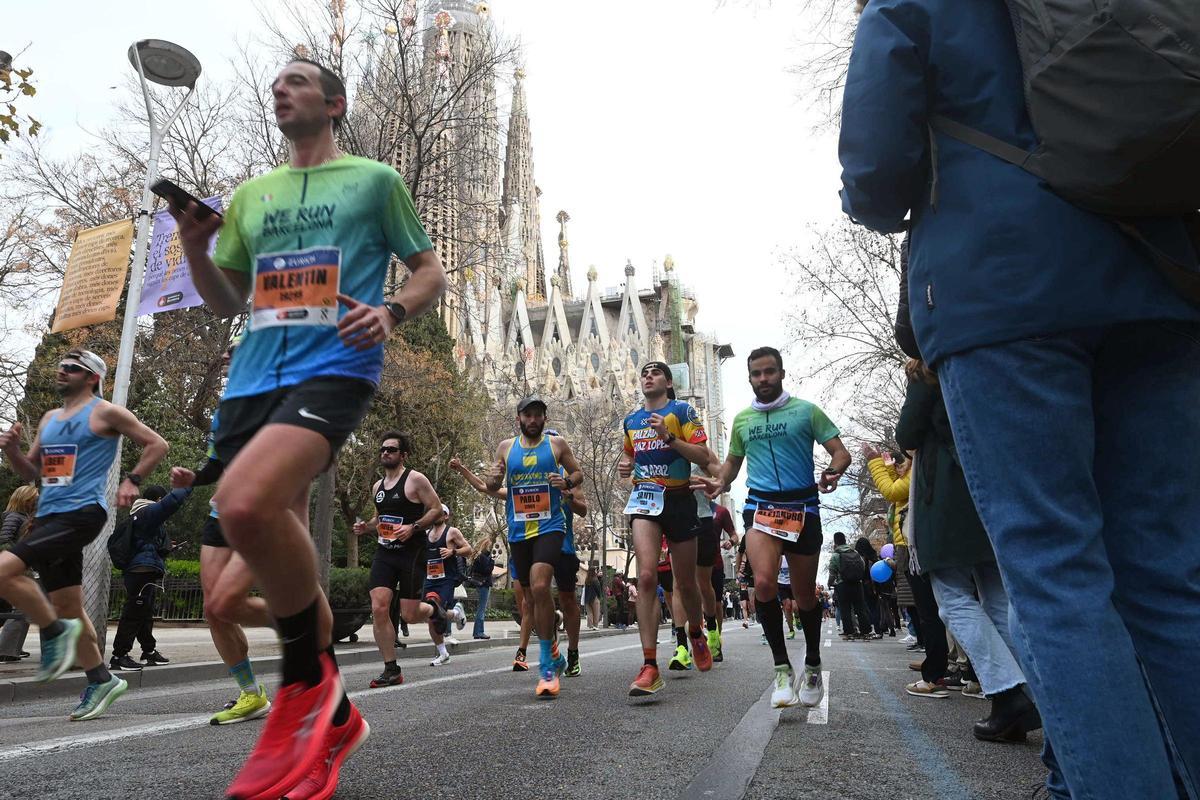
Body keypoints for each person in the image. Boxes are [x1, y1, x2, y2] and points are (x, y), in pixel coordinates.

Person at [841, 3, 1200, 795]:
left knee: (1055, 573)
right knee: (1170, 577)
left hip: (1003, 290)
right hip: (1156, 275)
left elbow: (874, 169)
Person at [171, 57, 447, 799]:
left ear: (334, 103)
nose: (279, 87)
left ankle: (304, 684)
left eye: (297, 79)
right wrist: (197, 243)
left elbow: (429, 271)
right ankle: (337, 720)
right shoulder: (251, 195)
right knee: (245, 566)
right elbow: (226, 300)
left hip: (333, 370)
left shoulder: (375, 181)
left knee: (245, 503)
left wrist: (390, 312)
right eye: (275, 82)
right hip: (248, 387)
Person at [0, 349, 168, 720]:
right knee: (70, 608)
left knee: (3, 571)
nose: (62, 372)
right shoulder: (49, 418)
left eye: (72, 368)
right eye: (61, 367)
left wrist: (132, 480)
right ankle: (100, 678)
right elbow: (31, 474)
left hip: (82, 513)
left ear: (91, 377)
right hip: (47, 517)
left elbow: (157, 444)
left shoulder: (105, 411)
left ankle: (54, 631)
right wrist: (12, 450)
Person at [895, 358, 1039, 740]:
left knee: (952, 597)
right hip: (991, 486)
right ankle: (1029, 694)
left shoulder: (927, 369)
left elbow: (907, 433)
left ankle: (1008, 694)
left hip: (944, 494)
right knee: (998, 599)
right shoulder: (990, 359)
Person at [699, 346, 850, 709]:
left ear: (781, 373)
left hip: (802, 508)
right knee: (764, 584)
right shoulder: (742, 421)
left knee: (804, 596)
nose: (763, 379)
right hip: (761, 508)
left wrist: (833, 471)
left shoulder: (806, 411)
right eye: (756, 374)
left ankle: (812, 662)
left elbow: (840, 453)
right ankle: (781, 669)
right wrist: (718, 483)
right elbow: (731, 468)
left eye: (769, 372)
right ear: (749, 378)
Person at [169, 339, 274, 725]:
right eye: (226, 350)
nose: (226, 354)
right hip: (220, 513)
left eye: (236, 349)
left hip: (259, 512)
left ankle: (305, 620)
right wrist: (193, 478)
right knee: (215, 609)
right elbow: (216, 465)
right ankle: (251, 694)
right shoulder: (223, 411)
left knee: (229, 602)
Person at [619, 362, 714, 697]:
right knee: (646, 577)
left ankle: (697, 633)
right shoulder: (631, 421)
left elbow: (702, 455)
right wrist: (625, 466)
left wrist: (670, 438)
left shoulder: (682, 411)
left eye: (655, 373)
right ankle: (649, 665)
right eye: (644, 373)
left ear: (668, 382)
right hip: (645, 499)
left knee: (686, 584)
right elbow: (630, 459)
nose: (648, 376)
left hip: (679, 500)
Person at [483, 396, 584, 698]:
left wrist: (565, 483)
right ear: (519, 419)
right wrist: (492, 478)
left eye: (538, 415)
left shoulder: (557, 445)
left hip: (551, 525)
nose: (533, 420)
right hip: (518, 530)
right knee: (530, 596)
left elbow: (578, 474)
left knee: (541, 587)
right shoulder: (505, 447)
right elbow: (491, 487)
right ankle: (553, 648)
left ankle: (547, 669)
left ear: (544, 419)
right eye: (528, 415)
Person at [354, 432, 458, 684]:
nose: (385, 453)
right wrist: (366, 528)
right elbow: (380, 518)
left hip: (412, 553)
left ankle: (438, 611)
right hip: (385, 552)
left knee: (409, 615)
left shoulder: (415, 479)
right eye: (383, 449)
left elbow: (435, 508)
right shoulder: (378, 487)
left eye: (391, 449)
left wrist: (414, 527)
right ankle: (391, 669)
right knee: (379, 607)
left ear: (403, 455)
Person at [109, 484, 190, 671]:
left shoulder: (140, 516)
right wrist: (188, 485)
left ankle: (148, 651)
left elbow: (146, 546)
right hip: (140, 571)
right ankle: (119, 655)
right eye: (162, 500)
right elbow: (170, 504)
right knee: (134, 613)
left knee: (144, 613)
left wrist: (167, 547)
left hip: (143, 570)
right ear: (158, 500)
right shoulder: (147, 513)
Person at [421, 505, 469, 666]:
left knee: (435, 610)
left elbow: (469, 549)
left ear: (446, 516)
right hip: (429, 579)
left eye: (442, 513)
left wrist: (452, 552)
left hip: (446, 579)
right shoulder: (426, 534)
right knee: (429, 614)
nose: (437, 516)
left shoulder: (452, 532)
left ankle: (443, 653)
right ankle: (455, 614)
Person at [0, 485, 38, 661]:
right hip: (16, 567)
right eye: (34, 498)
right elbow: (5, 540)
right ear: (25, 499)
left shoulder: (24, 517)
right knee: (22, 608)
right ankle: (6, 649)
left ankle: (12, 647)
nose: (36, 501)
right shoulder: (14, 517)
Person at [827, 533, 872, 641]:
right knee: (860, 608)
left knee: (845, 609)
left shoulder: (836, 555)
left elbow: (832, 572)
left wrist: (830, 583)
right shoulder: (855, 552)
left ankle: (849, 632)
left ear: (835, 542)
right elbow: (862, 566)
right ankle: (865, 631)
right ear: (845, 540)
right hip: (857, 583)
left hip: (843, 584)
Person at [466, 536, 496, 640]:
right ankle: (479, 632)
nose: (491, 548)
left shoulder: (478, 556)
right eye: (490, 546)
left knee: (481, 608)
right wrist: (492, 561)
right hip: (484, 584)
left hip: (479, 583)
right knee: (481, 609)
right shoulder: (484, 557)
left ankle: (478, 632)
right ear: (486, 546)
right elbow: (487, 570)